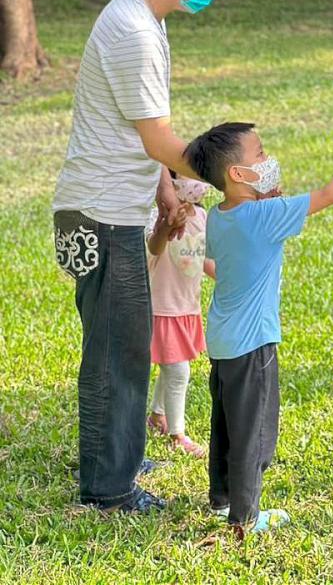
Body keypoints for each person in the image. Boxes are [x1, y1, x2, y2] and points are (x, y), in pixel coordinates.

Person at [52, 0, 227, 513]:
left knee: (119, 345)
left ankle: (118, 448)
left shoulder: (143, 17)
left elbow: (140, 139)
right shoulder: (133, 31)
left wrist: (168, 193)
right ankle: (108, 487)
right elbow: (158, 140)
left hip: (108, 209)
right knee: (118, 351)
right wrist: (230, 178)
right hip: (99, 217)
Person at [183, 115, 333, 534]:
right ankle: (245, 518)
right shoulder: (266, 216)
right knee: (255, 432)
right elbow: (332, 193)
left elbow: (228, 266)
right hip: (254, 343)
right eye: (259, 153)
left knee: (225, 426)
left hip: (223, 341)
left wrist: (263, 199)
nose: (268, 158)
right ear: (238, 173)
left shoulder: (219, 216)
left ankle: (221, 499)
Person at [146, 174, 215, 457]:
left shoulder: (202, 215)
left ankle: (156, 416)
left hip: (187, 306)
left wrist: (226, 277)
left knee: (172, 364)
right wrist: (166, 225)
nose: (197, 182)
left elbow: (204, 258)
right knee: (177, 371)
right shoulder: (154, 217)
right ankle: (178, 435)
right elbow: (154, 248)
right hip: (162, 308)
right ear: (169, 184)